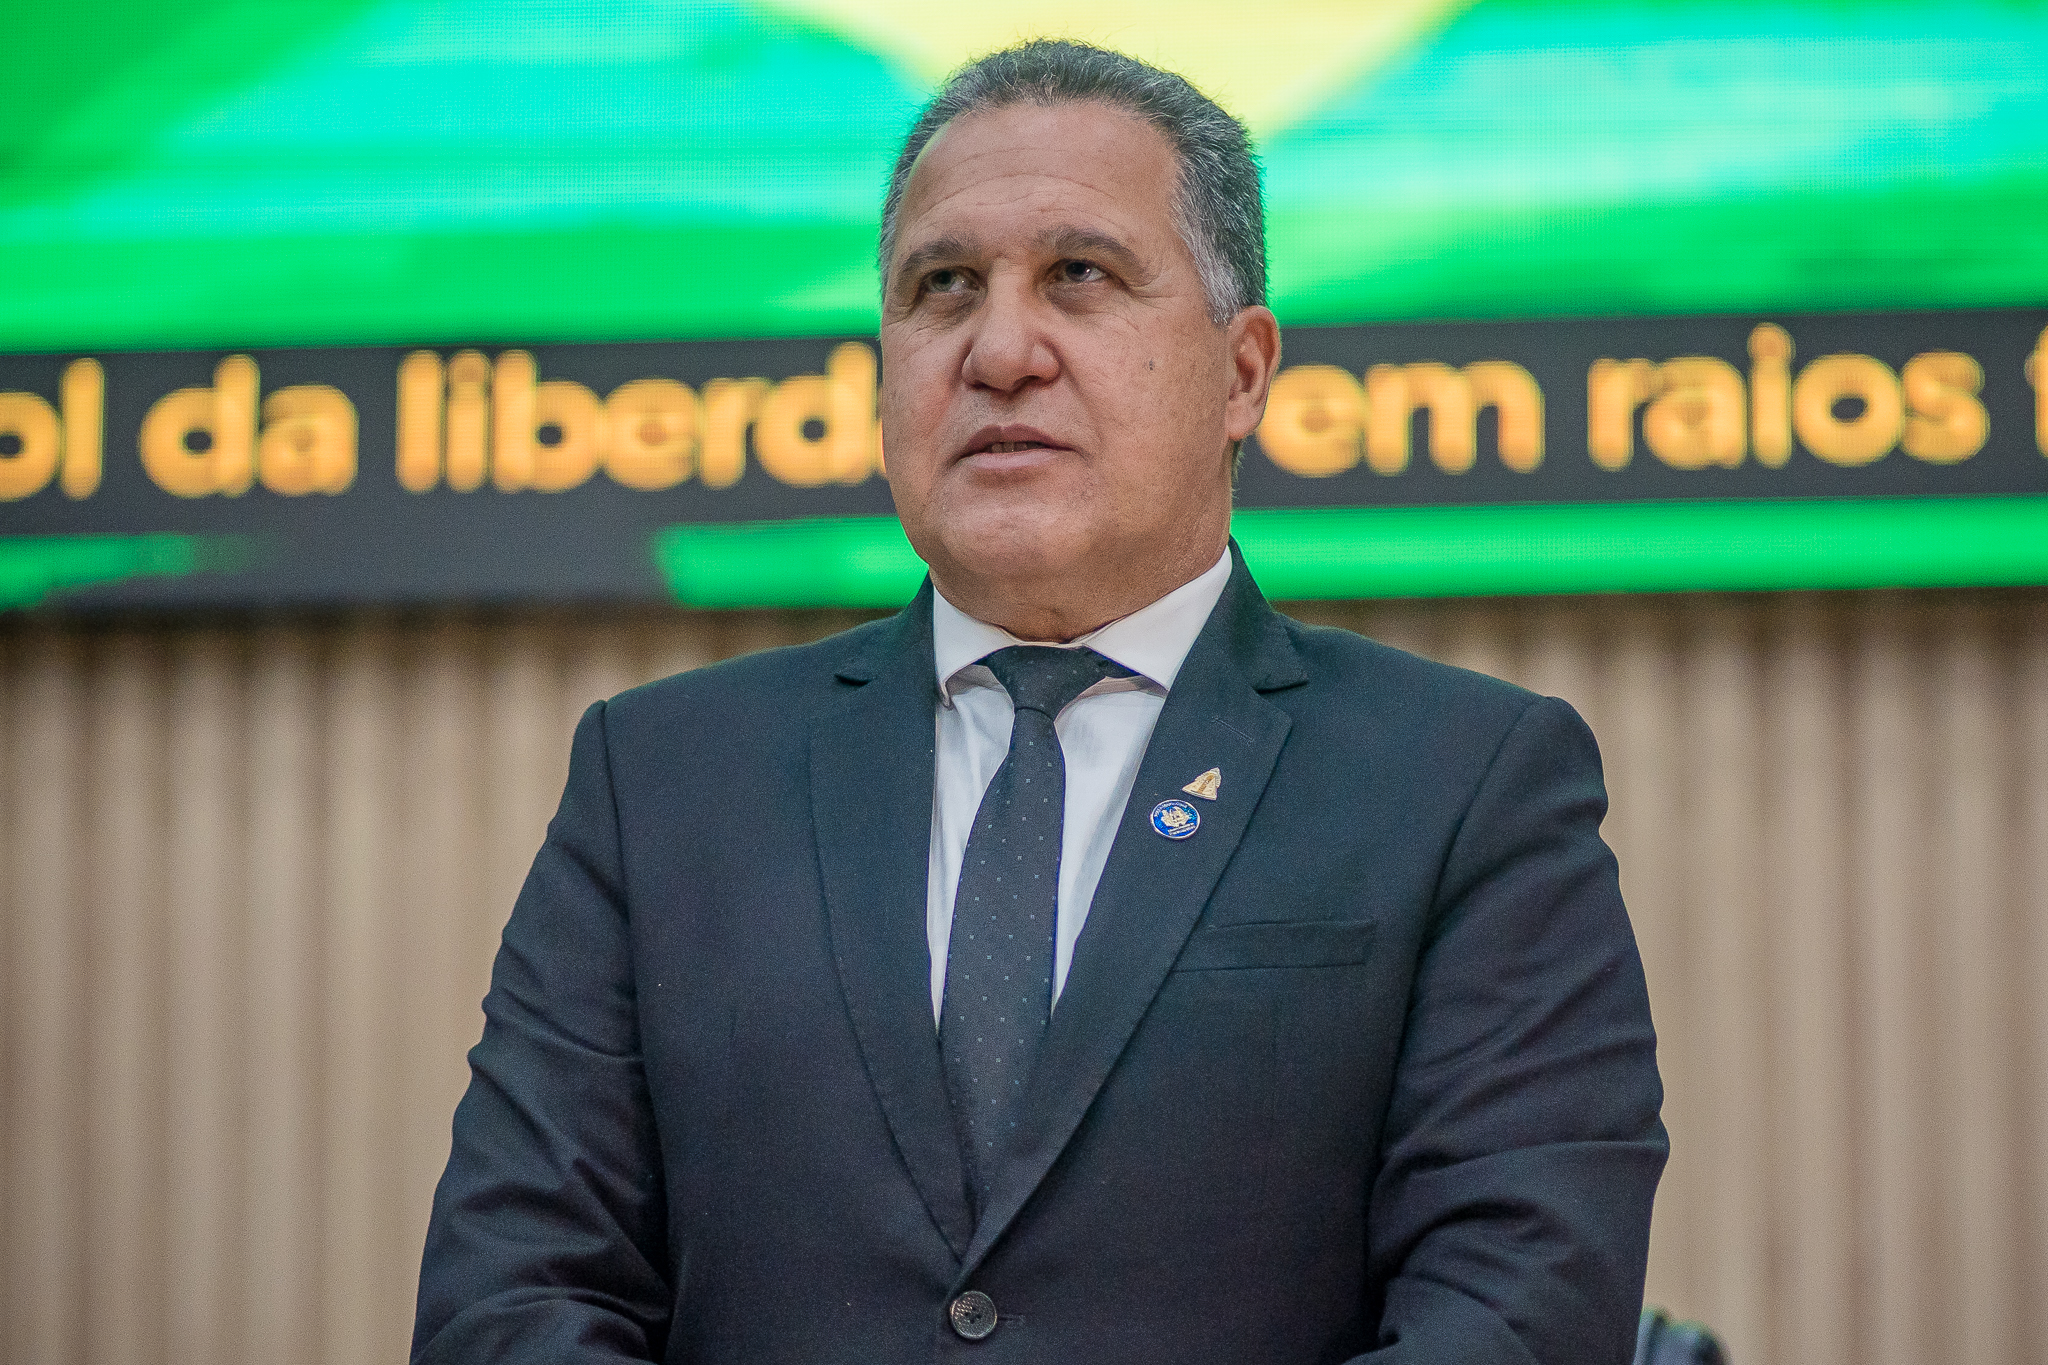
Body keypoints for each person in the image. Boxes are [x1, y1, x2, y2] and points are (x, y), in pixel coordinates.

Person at [412, 39, 1665, 1365]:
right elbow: (512, 1297)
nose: (1001, 350)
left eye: (1080, 275)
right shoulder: (662, 779)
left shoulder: (1464, 784)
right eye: (943, 288)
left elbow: (1518, 1310)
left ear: (1242, 372)